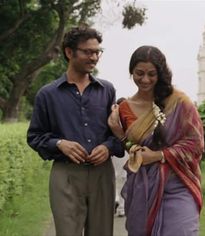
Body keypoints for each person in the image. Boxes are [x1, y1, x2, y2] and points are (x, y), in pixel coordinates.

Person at [27, 26, 124, 236]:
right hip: (65, 174)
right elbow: (34, 136)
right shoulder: (47, 94)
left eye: (97, 52)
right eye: (88, 52)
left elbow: (117, 134)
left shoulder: (107, 90)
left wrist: (107, 148)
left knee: (102, 232)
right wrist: (60, 144)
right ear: (69, 52)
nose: (94, 57)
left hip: (102, 173)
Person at [108, 45, 204, 236]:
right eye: (139, 73)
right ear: (131, 73)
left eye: (152, 74)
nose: (145, 79)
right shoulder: (125, 107)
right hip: (143, 189)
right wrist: (119, 134)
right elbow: (134, 150)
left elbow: (196, 144)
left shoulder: (179, 102)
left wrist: (159, 155)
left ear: (161, 73)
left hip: (178, 184)